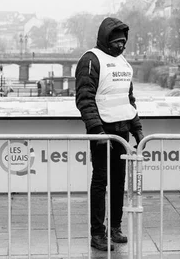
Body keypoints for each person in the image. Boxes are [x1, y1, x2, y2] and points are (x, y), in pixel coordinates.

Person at [75, 17, 144, 252]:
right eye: (116, 43)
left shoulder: (123, 63)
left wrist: (137, 128)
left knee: (118, 182)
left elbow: (128, 99)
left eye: (123, 42)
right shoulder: (91, 60)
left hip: (122, 131)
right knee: (100, 181)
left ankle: (115, 227)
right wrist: (97, 130)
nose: (121, 46)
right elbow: (85, 99)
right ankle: (97, 233)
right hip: (102, 132)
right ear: (106, 41)